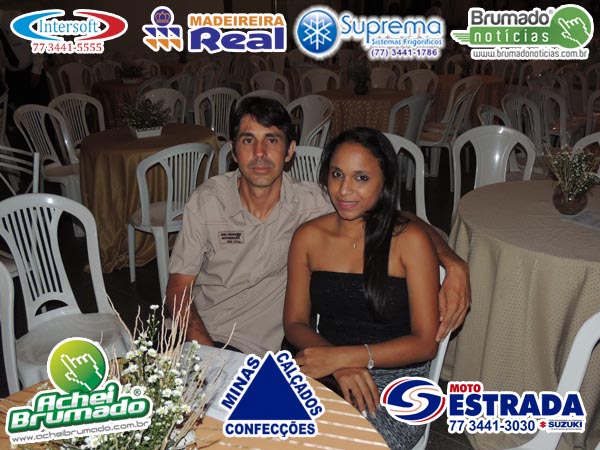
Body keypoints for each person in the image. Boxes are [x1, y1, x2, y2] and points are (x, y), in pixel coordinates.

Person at [166, 97, 470, 356]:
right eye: (248, 140)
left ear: (289, 151)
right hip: (200, 337)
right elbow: (178, 290)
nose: (259, 153)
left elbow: (399, 219)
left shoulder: (316, 202)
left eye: (271, 140)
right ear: (233, 151)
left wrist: (454, 263)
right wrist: (210, 356)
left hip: (264, 353)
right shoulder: (208, 201)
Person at [283, 127, 438, 449]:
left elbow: (425, 343)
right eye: (337, 174)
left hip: (394, 381)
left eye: (361, 178)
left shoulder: (409, 240)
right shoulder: (308, 237)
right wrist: (336, 364)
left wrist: (344, 358)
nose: (344, 189)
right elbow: (295, 322)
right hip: (325, 366)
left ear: (385, 182)